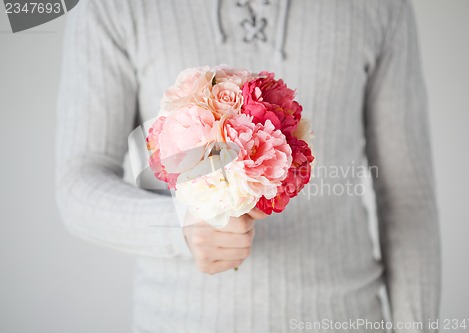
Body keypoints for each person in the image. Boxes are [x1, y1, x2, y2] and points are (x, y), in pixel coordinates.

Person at [56, 0, 441, 332]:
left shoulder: (380, 7)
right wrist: (181, 227)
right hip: (177, 320)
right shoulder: (111, 7)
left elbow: (408, 197)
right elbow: (79, 180)